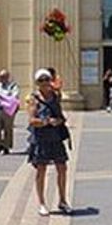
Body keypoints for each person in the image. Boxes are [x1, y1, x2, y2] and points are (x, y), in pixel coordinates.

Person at [26, 68, 71, 216]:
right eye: (41, 80)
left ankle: (63, 200)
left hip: (56, 137)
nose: (45, 83)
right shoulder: (33, 99)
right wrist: (47, 122)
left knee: (62, 167)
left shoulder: (55, 96)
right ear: (37, 83)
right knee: (41, 170)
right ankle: (42, 203)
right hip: (41, 138)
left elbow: (59, 84)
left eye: (47, 79)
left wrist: (59, 120)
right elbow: (32, 120)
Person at [0, 69, 20, 156]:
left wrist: (3, 99)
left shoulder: (13, 86)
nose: (1, 78)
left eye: (3, 77)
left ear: (7, 77)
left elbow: (14, 97)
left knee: (8, 129)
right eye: (0, 77)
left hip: (8, 111)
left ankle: (6, 146)